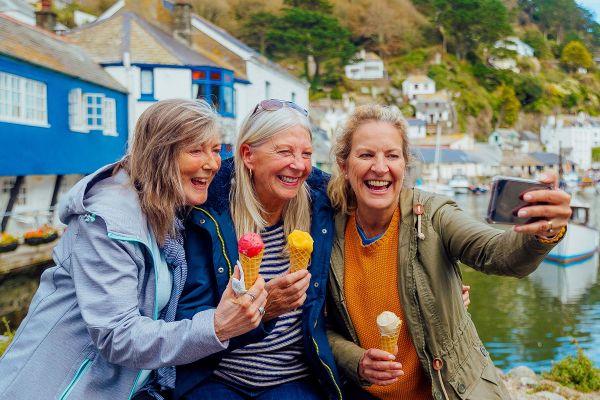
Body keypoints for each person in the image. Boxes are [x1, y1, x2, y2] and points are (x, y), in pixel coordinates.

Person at [0, 99, 268, 400]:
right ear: (159, 155)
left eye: (216, 150)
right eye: (196, 150)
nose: (212, 163)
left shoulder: (166, 212)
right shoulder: (107, 222)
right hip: (57, 389)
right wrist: (217, 327)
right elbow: (118, 335)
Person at [325, 105, 571, 400]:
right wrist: (357, 361)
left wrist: (544, 231)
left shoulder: (432, 214)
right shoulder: (328, 229)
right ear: (343, 164)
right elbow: (321, 325)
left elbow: (497, 253)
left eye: (392, 155)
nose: (380, 167)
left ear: (405, 164)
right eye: (366, 155)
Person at [175, 99, 342, 400]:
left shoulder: (320, 205)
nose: (299, 165)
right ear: (248, 154)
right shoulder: (207, 213)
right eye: (285, 152)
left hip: (293, 377)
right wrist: (262, 311)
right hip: (217, 375)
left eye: (306, 154)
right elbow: (189, 317)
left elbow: (381, 198)